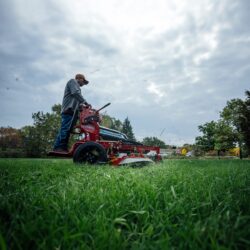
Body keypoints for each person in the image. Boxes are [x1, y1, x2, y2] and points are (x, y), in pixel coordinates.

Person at [53, 74, 91, 152]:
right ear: (79, 78)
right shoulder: (73, 82)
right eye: (83, 81)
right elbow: (75, 93)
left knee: (66, 129)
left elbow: (77, 102)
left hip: (72, 112)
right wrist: (86, 102)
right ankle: (60, 147)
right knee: (65, 129)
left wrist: (83, 107)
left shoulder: (77, 88)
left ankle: (59, 148)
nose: (83, 84)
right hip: (68, 110)